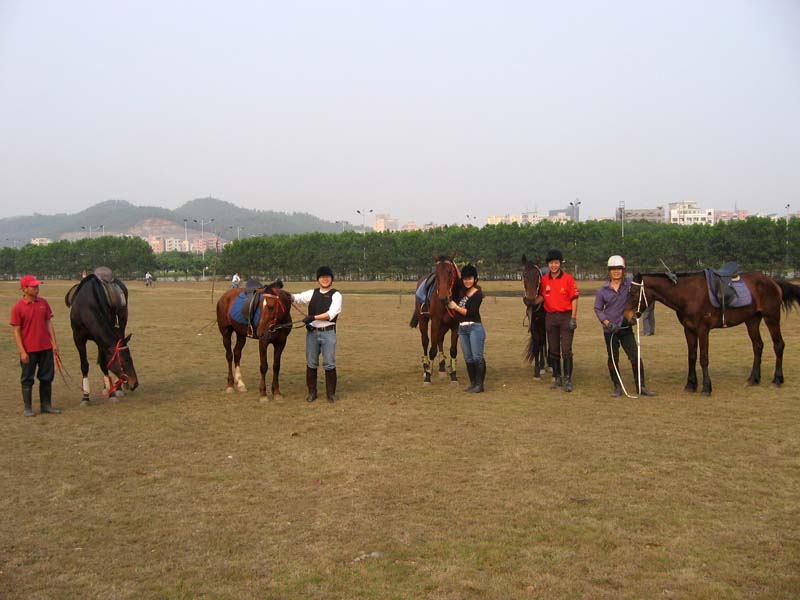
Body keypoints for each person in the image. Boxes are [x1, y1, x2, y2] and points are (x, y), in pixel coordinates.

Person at [594, 255, 656, 397]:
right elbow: (598, 309)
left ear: (623, 270)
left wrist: (637, 313)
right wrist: (607, 323)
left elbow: (640, 296)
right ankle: (617, 386)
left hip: (625, 328)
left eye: (619, 269)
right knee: (613, 358)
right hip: (610, 330)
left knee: (635, 357)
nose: (616, 272)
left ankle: (641, 386)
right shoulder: (602, 290)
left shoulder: (630, 286)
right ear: (609, 271)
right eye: (613, 269)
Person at [9, 275, 61, 416]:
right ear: (24, 289)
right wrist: (22, 351)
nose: (37, 288)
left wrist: (54, 344)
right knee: (27, 378)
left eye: (37, 286)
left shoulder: (43, 303)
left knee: (46, 377)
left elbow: (48, 324)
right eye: (33, 286)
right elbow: (16, 331)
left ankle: (46, 405)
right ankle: (28, 408)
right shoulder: (18, 308)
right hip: (29, 349)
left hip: (45, 348)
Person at [291, 266, 343, 402]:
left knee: (329, 363)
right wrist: (284, 294)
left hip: (328, 333)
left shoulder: (336, 295)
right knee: (311, 363)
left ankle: (331, 394)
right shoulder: (312, 293)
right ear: (318, 279)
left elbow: (331, 314)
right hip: (312, 334)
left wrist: (313, 318)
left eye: (327, 277)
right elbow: (297, 298)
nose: (324, 279)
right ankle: (312, 393)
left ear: (331, 279)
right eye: (322, 277)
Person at [538, 249, 579, 392]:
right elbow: (543, 296)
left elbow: (574, 299)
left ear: (560, 263)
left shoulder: (568, 278)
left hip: (566, 316)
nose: (553, 266)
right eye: (551, 263)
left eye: (556, 263)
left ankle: (568, 379)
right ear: (548, 264)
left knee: (566, 349)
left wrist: (573, 317)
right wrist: (531, 301)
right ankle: (557, 378)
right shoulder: (544, 280)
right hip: (550, 317)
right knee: (553, 350)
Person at [447, 264, 486, 393]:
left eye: (470, 278)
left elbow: (470, 312)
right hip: (462, 329)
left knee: (477, 357)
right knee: (468, 358)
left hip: (474, 327)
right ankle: (473, 383)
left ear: (475, 279)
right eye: (465, 279)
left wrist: (456, 307)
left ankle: (480, 385)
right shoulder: (461, 293)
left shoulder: (478, 294)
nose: (467, 281)